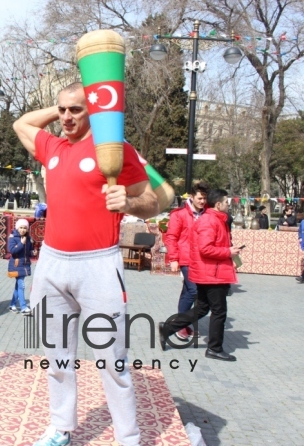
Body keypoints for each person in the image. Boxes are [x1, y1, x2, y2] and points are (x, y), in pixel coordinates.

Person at [13, 82, 159, 446]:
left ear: (92, 111)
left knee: (112, 357)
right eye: (62, 110)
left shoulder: (114, 150)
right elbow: (21, 125)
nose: (65, 117)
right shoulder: (54, 146)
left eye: (75, 110)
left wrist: (127, 201)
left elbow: (153, 202)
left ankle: (128, 437)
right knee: (56, 353)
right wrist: (61, 106)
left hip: (99, 265)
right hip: (51, 263)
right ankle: (61, 427)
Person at [160, 189, 241, 362]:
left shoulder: (216, 219)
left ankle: (168, 328)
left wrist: (231, 253)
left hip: (212, 270)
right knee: (218, 311)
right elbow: (205, 248)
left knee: (202, 308)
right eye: (227, 202)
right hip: (212, 272)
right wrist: (228, 252)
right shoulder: (210, 220)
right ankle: (214, 348)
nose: (229, 205)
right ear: (218, 204)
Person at [163, 181, 209, 342]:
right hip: (186, 258)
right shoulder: (180, 214)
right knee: (194, 291)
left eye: (204, 198)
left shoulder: (207, 213)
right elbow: (171, 237)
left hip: (201, 259)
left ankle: (181, 322)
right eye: (199, 198)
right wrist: (174, 258)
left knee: (187, 292)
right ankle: (179, 325)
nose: (202, 201)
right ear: (191, 196)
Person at [7, 218, 34, 315]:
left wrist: (32, 252)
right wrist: (21, 243)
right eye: (21, 228)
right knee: (21, 285)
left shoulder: (29, 239)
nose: (22, 230)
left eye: (25, 228)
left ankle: (12, 304)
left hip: (25, 265)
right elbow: (12, 251)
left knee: (18, 286)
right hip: (16, 264)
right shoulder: (13, 238)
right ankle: (23, 307)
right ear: (17, 228)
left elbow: (29, 251)